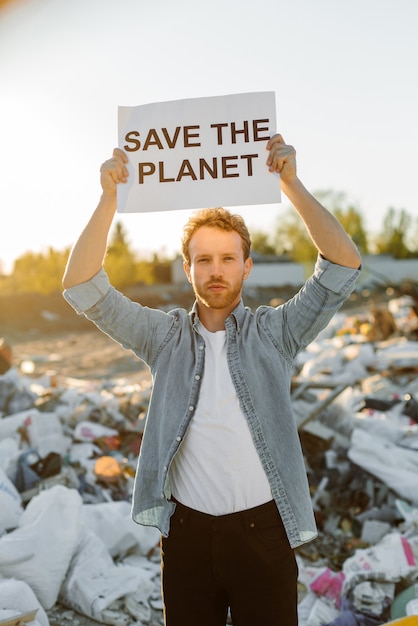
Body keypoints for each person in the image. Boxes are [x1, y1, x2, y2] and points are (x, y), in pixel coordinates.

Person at [63, 133, 361, 626]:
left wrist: (292, 184)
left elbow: (342, 267)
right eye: (204, 259)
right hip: (188, 540)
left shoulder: (276, 332)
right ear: (188, 270)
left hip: (264, 533)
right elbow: (82, 286)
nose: (216, 271)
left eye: (227, 259)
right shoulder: (164, 337)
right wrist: (108, 197)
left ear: (246, 266)